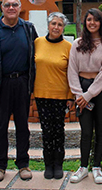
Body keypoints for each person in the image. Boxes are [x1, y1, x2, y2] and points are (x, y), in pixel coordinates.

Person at [0, 0, 38, 183]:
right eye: (7, 5)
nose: (11, 7)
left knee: (23, 126)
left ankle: (23, 164)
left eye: (14, 5)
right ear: (2, 8)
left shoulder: (28, 29)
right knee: (1, 126)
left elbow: (37, 58)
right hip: (1, 85)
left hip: (22, 84)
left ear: (20, 8)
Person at [67, 8, 102, 184]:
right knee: (86, 131)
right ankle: (83, 167)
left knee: (100, 130)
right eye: (89, 20)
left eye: (95, 20)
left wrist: (88, 95)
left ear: (100, 22)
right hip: (81, 89)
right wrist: (79, 94)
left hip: (100, 90)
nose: (92, 23)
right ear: (85, 23)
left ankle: (97, 167)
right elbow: (71, 70)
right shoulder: (77, 44)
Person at [33, 12, 73, 180]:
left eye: (60, 25)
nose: (56, 27)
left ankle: (58, 164)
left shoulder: (68, 47)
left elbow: (72, 73)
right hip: (41, 94)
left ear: (63, 28)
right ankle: (48, 165)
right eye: (53, 24)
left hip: (60, 96)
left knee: (58, 131)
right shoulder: (37, 42)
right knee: (46, 131)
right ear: (48, 26)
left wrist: (71, 96)